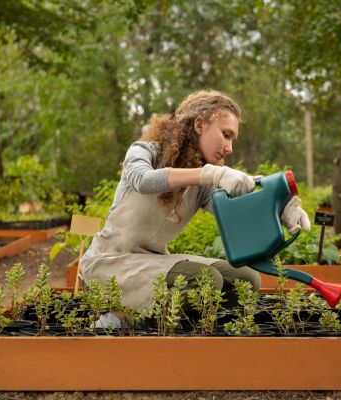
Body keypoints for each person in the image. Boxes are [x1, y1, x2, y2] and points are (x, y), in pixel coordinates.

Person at [79, 90, 311, 327]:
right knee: (205, 280)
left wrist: (281, 210)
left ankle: (184, 329)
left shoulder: (200, 186)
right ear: (200, 124)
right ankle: (120, 320)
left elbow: (237, 212)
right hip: (110, 263)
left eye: (233, 139)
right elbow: (142, 179)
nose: (229, 147)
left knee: (245, 279)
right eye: (226, 134)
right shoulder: (144, 152)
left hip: (152, 262)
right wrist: (209, 174)